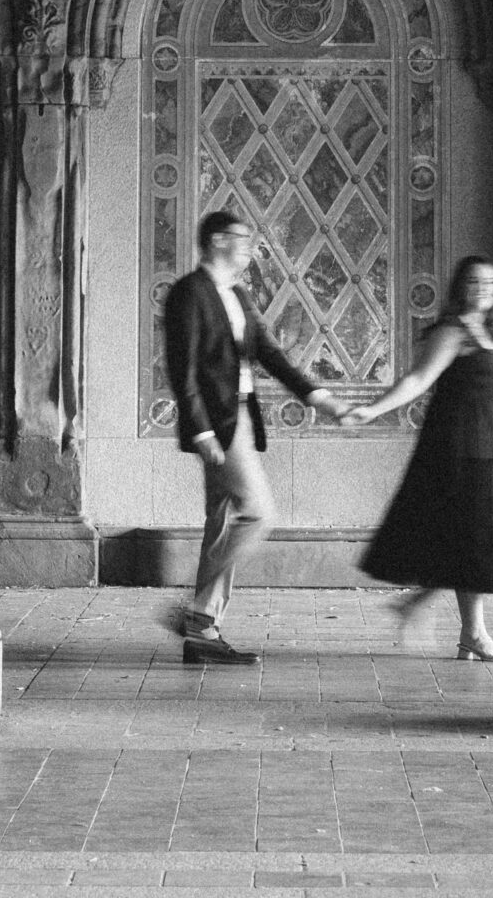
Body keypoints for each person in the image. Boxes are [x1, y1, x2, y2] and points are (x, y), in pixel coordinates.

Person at [162, 208, 349, 665]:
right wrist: (201, 428)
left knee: (224, 521)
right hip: (221, 425)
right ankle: (197, 614)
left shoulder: (237, 295)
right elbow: (181, 369)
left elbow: (268, 352)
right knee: (259, 514)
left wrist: (318, 395)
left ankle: (203, 631)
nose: (249, 246)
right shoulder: (190, 292)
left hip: (241, 416)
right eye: (241, 238)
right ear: (216, 241)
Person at [346, 255, 493, 663]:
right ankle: (469, 631)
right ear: (460, 287)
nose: (484, 289)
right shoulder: (452, 332)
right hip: (461, 445)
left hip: (492, 444)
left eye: (491, 282)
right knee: (476, 535)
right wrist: (374, 409)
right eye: (474, 282)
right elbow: (418, 380)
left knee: (475, 537)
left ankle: (454, 625)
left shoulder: (486, 330)